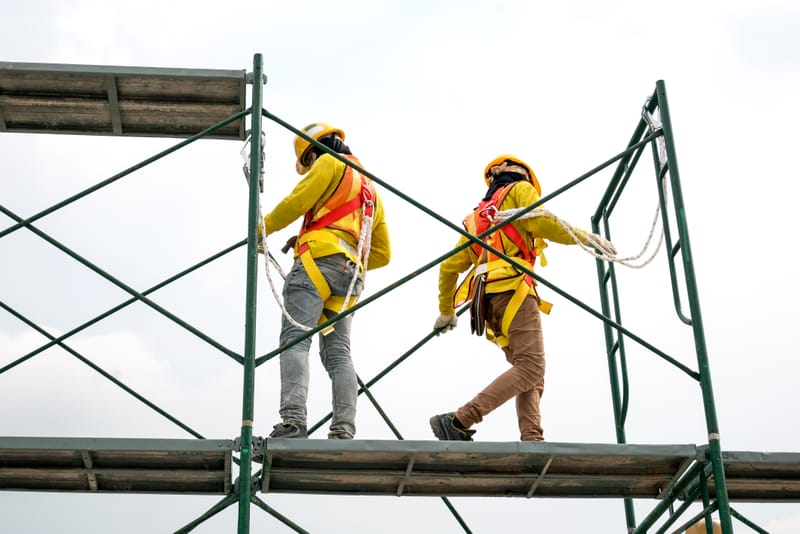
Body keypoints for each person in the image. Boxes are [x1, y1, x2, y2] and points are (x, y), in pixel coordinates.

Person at [429, 154, 614, 442]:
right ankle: (459, 419)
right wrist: (584, 238)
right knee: (532, 367)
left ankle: (531, 436)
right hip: (514, 290)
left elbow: (449, 266)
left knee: (529, 370)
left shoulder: (477, 218)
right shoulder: (519, 190)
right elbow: (544, 224)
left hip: (489, 303)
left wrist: (446, 311)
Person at [259, 122, 391, 440]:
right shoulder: (371, 189)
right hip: (350, 279)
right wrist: (343, 257)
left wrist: (261, 228)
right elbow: (383, 254)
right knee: (339, 354)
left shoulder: (328, 163)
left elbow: (297, 201)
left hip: (315, 266)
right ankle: (344, 429)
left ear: (313, 152)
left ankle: (293, 421)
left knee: (295, 340)